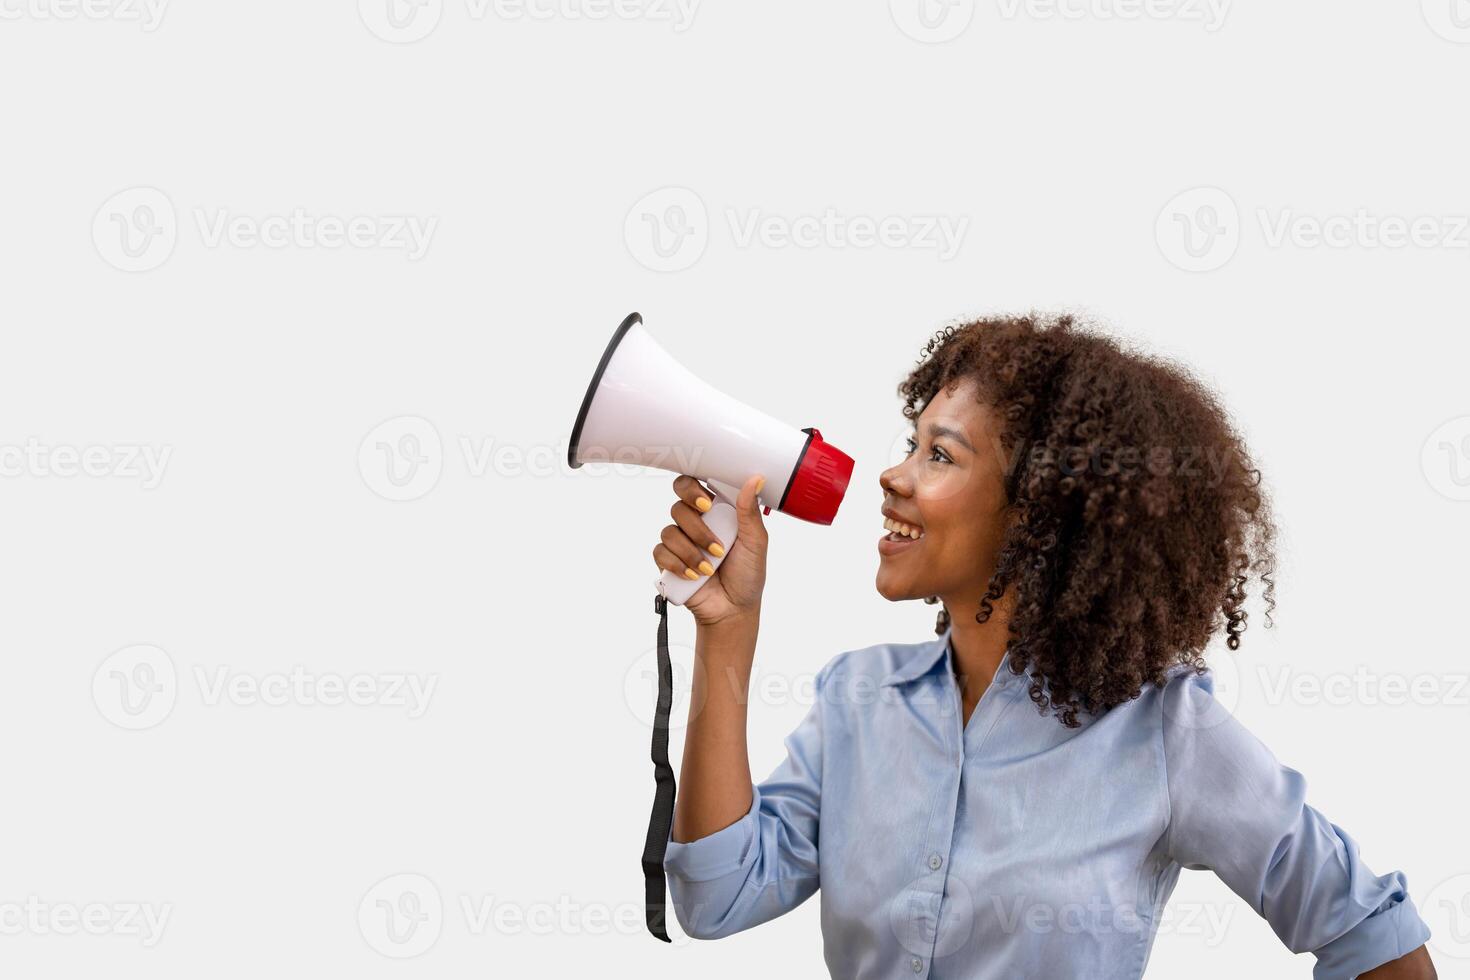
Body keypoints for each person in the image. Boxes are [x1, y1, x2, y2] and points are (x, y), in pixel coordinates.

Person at [650, 313, 1436, 979]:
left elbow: (1372, 932)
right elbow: (718, 898)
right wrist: (727, 629)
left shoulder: (1159, 731)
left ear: (1037, 513)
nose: (892, 476)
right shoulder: (858, 699)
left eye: (940, 454)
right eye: (911, 442)